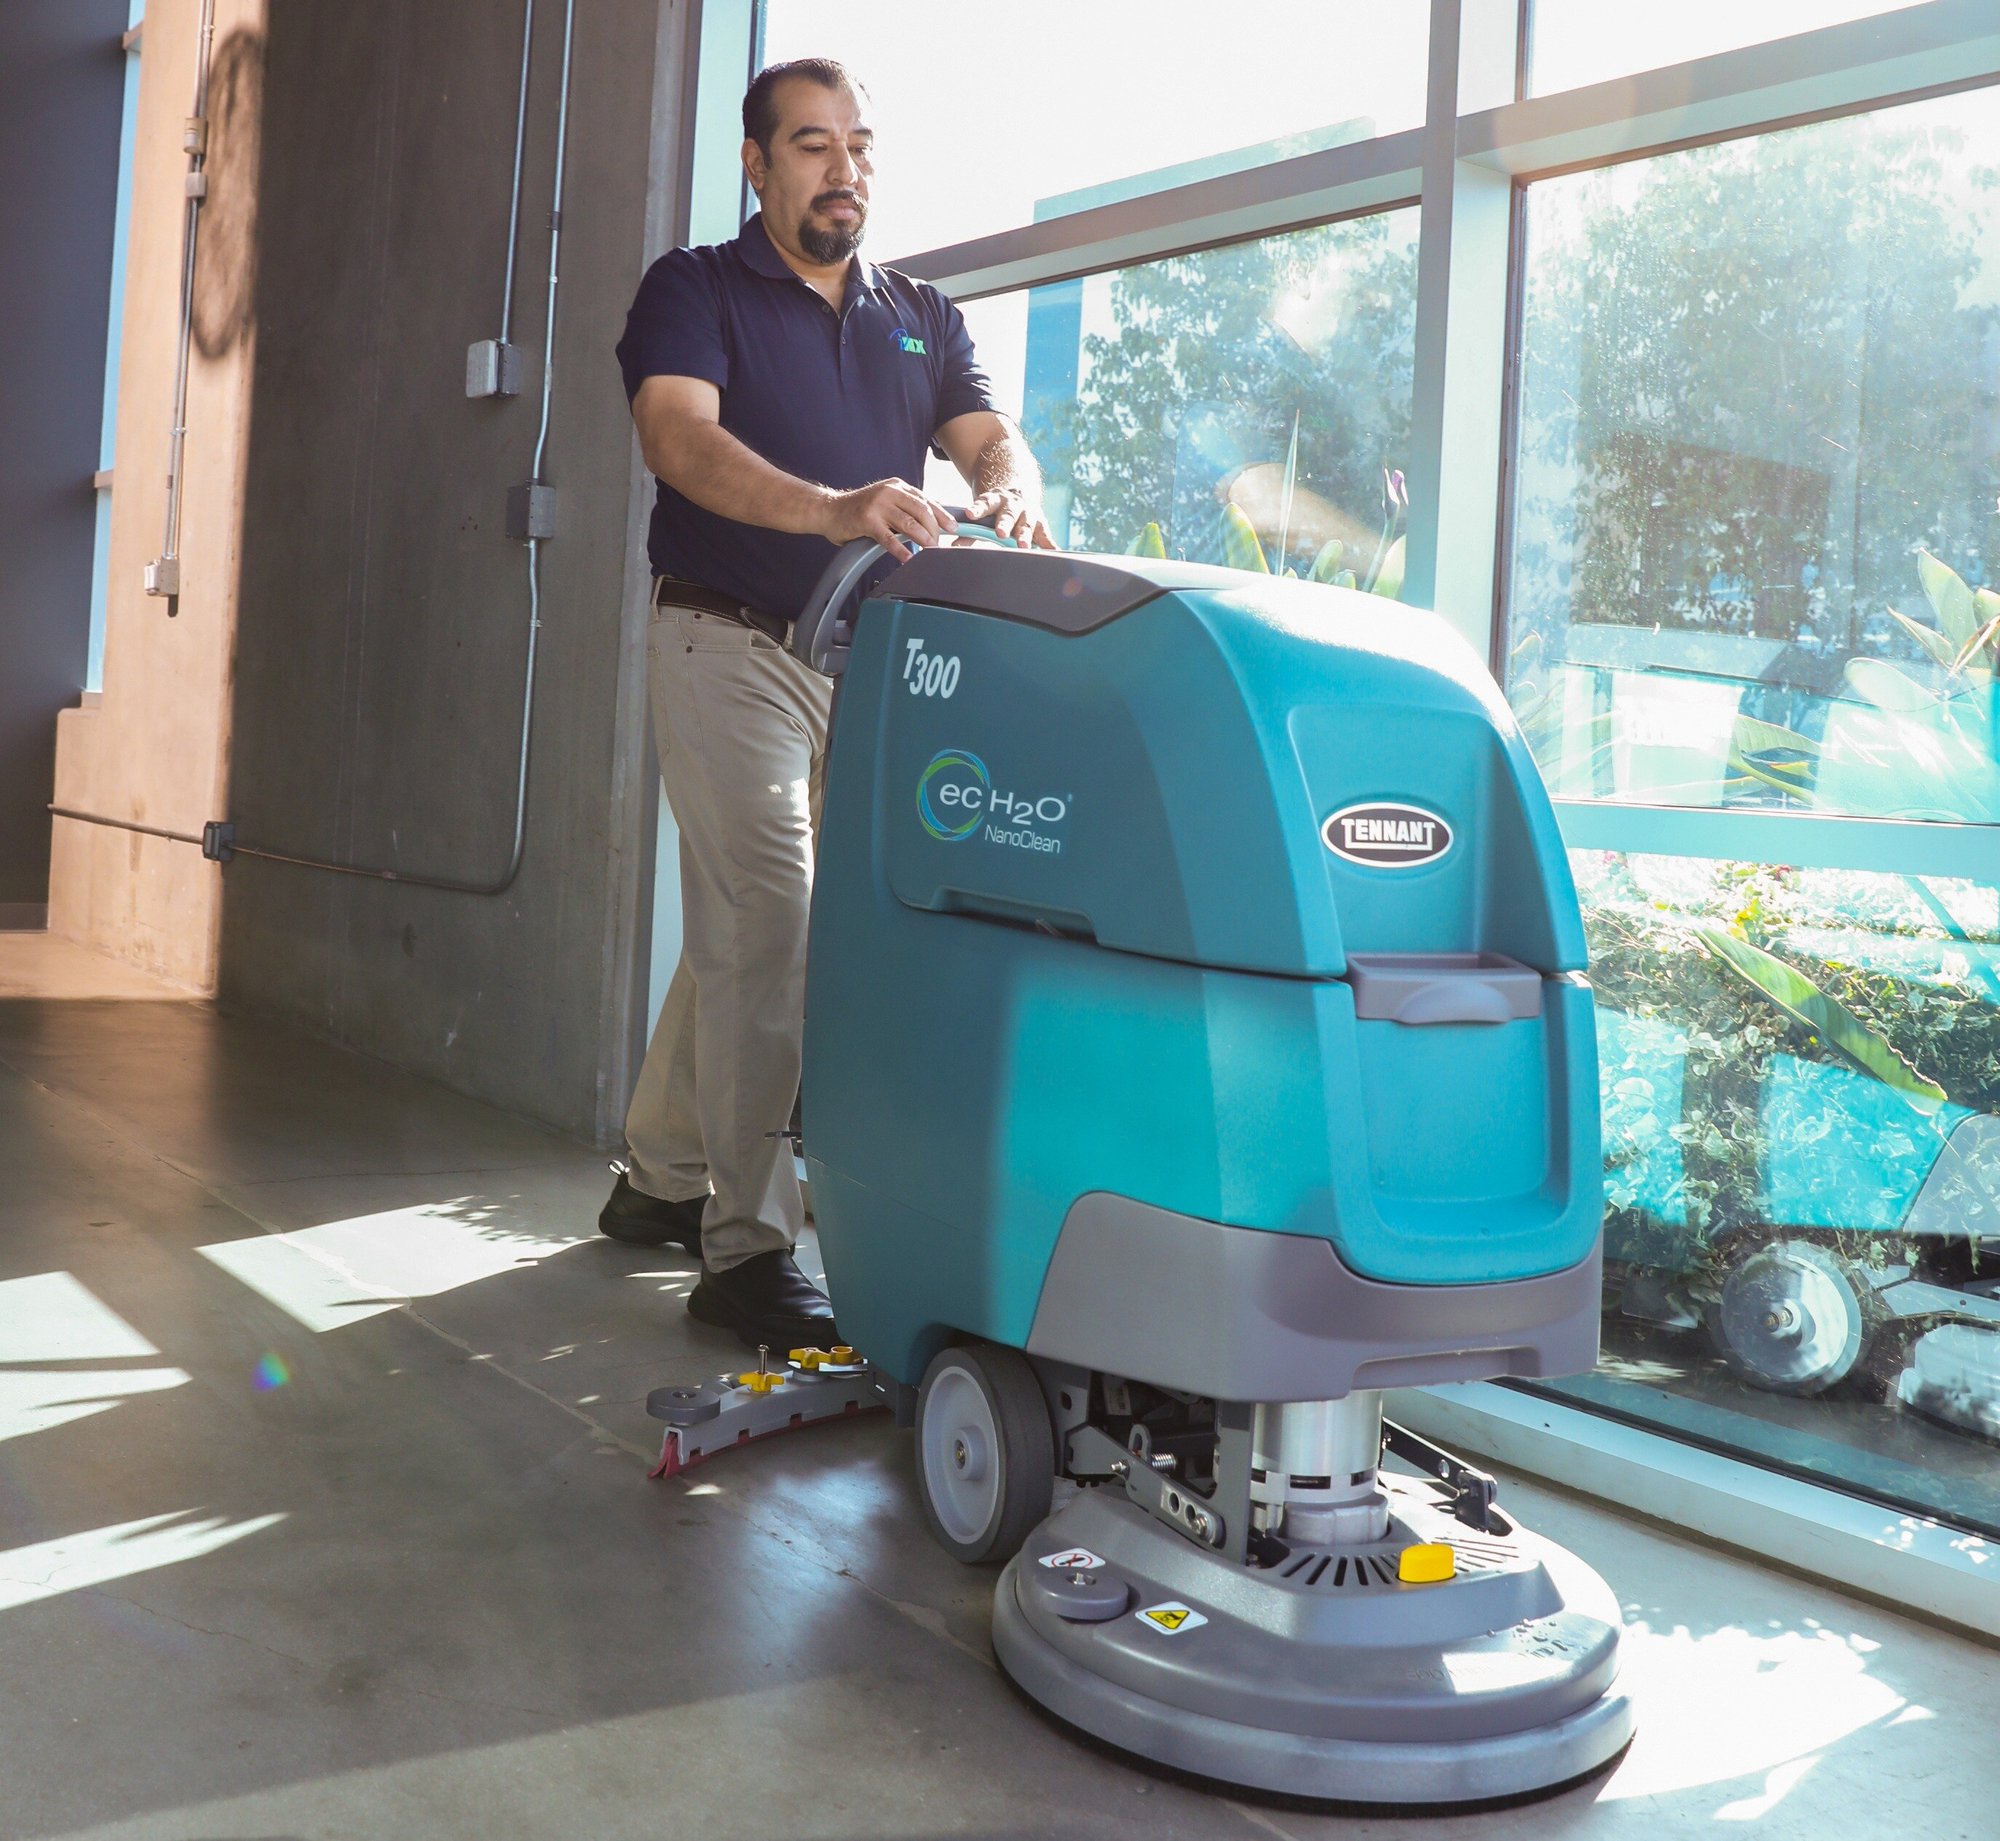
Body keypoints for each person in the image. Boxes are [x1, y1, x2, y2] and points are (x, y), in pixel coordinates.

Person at [603, 57, 1054, 1351]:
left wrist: (1009, 485)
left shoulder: (921, 313)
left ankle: (657, 1173)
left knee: (752, 924)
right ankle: (745, 1251)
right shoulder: (695, 288)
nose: (842, 167)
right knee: (776, 918)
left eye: (858, 144)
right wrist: (836, 504)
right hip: (724, 642)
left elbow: (985, 435)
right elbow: (677, 440)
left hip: (860, 661)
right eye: (811, 144)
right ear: (756, 164)